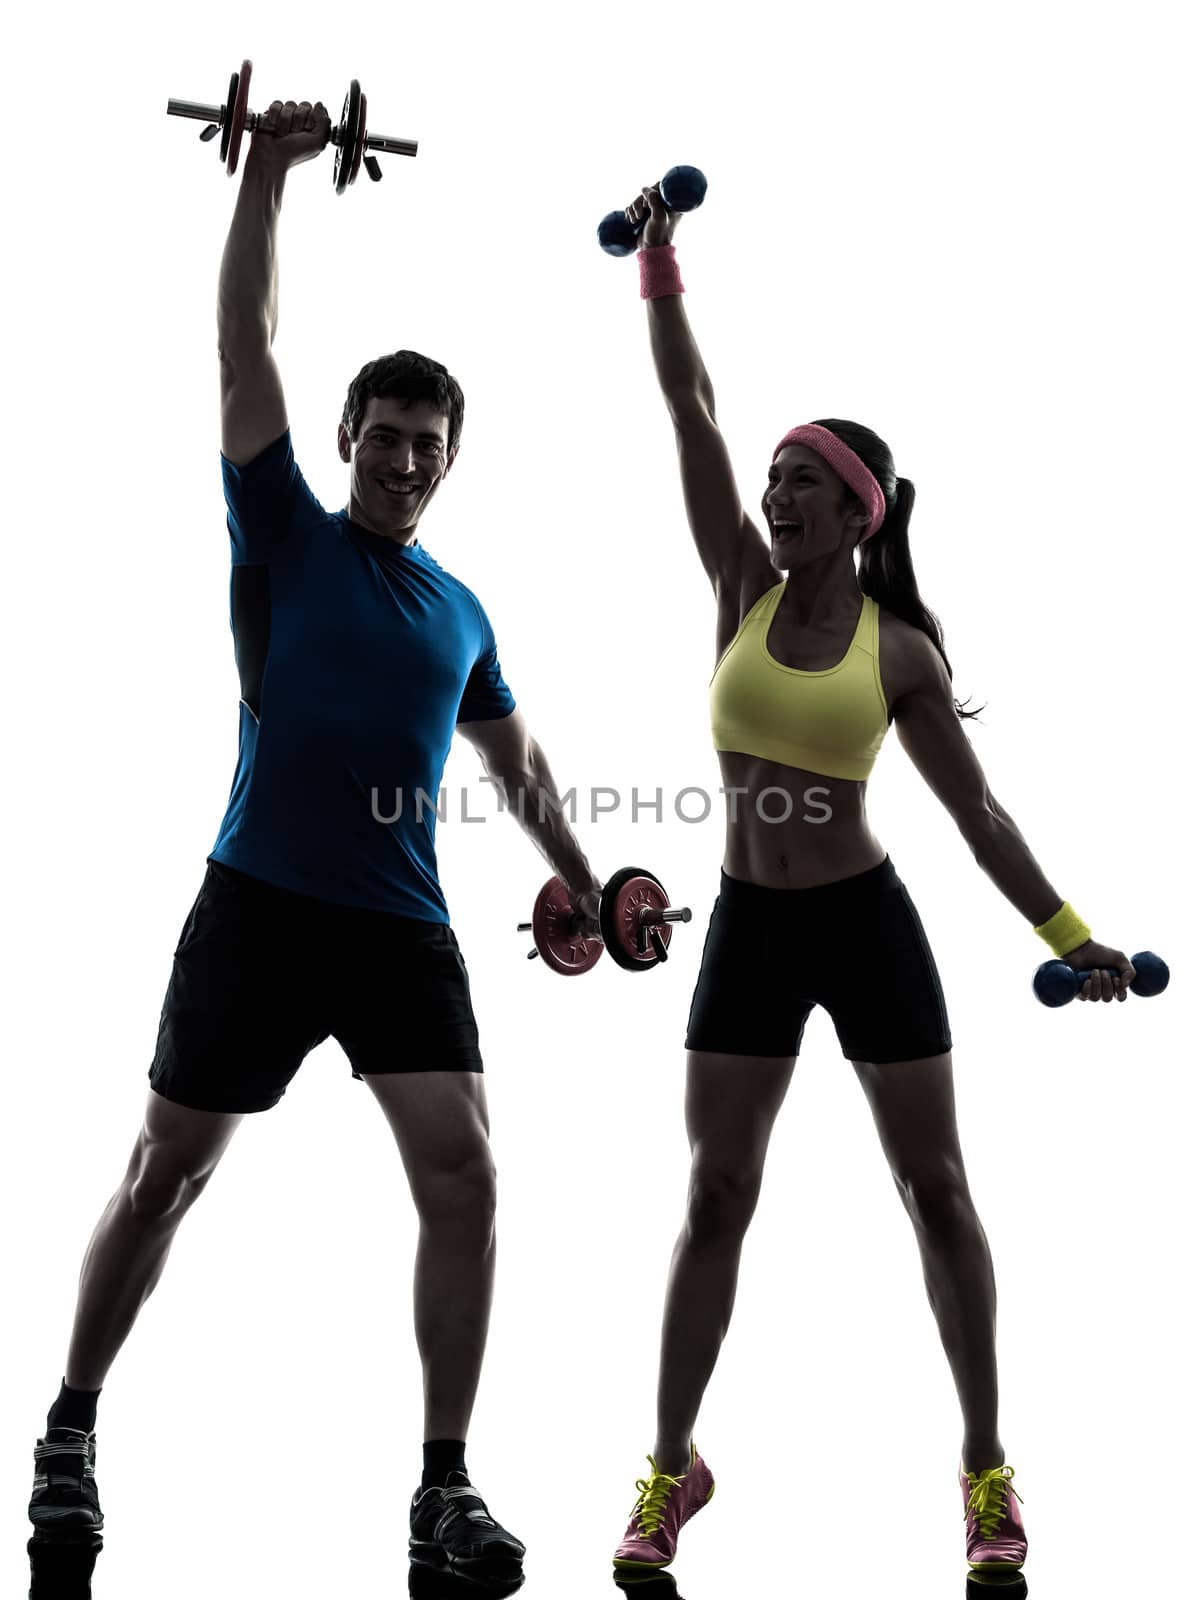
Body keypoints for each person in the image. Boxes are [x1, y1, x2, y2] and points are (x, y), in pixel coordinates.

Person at [27, 99, 603, 1585]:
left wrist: (578, 872)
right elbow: (246, 349)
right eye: (388, 437)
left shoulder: (464, 610)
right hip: (260, 905)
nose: (407, 460)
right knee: (166, 1172)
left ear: (450, 462)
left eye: (430, 446)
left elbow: (515, 749)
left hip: (399, 926)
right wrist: (271, 177)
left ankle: (442, 1487)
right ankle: (72, 1432)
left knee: (467, 1175)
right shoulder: (281, 530)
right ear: (349, 440)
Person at [608, 184, 1137, 1576]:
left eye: (800, 483)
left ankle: (987, 1476)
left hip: (866, 926)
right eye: (771, 479)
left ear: (858, 510)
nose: (772, 496)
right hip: (749, 928)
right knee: (715, 1196)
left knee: (940, 1193)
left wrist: (1072, 932)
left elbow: (978, 814)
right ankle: (670, 1470)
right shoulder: (739, 582)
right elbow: (692, 408)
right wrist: (659, 262)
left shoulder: (901, 651)